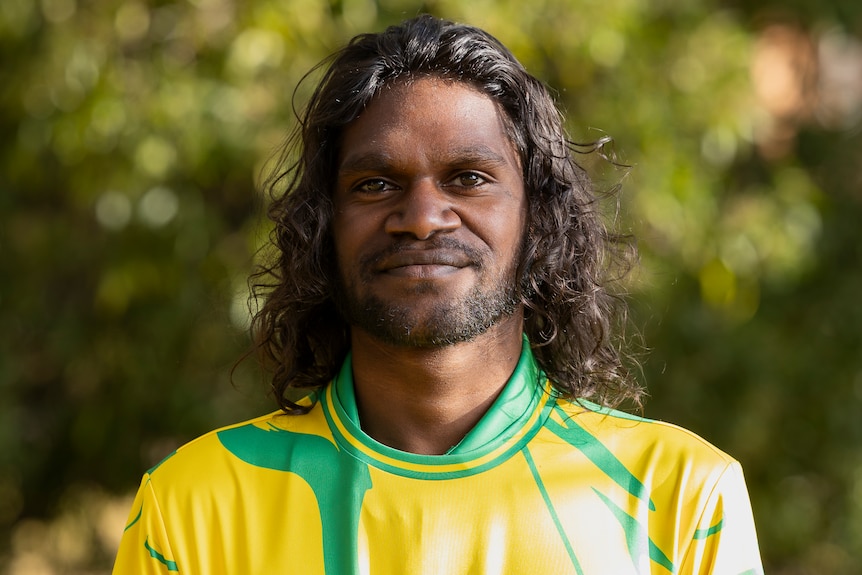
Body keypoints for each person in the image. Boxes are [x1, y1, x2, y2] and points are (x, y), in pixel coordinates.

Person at [113, 14, 763, 574]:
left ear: (537, 217)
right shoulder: (192, 508)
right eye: (374, 184)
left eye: (469, 177)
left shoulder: (680, 498)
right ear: (322, 226)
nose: (423, 216)